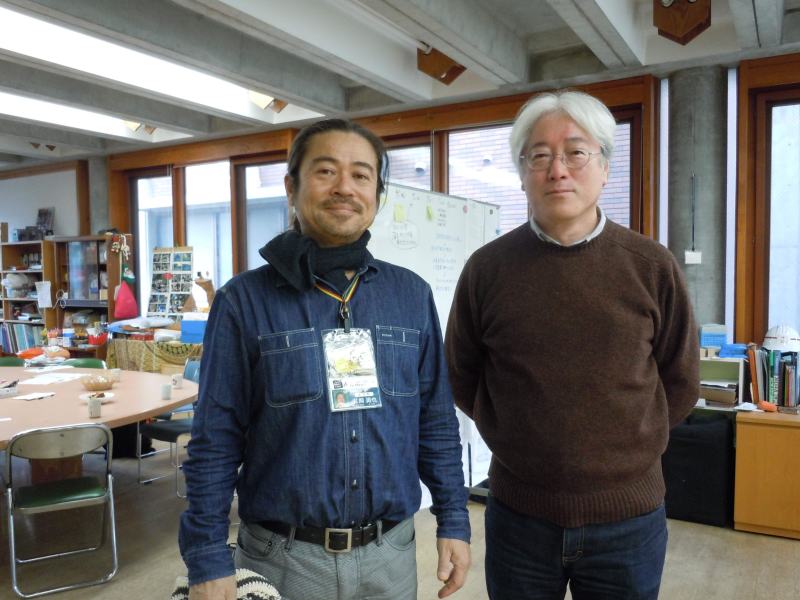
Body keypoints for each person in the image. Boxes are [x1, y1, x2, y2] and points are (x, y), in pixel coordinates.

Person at [179, 118, 471, 600]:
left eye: (361, 175)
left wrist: (454, 519)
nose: (344, 188)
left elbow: (435, 422)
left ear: (377, 194)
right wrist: (207, 556)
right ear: (291, 187)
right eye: (326, 171)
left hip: (392, 556)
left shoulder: (411, 295)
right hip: (282, 559)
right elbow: (215, 438)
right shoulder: (243, 301)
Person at [445, 91, 699, 600]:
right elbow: (462, 375)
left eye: (576, 153)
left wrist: (623, 451)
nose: (557, 170)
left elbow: (681, 381)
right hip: (518, 514)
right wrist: (519, 440)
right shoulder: (487, 269)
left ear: (604, 167)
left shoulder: (652, 266)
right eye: (539, 155)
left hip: (628, 518)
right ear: (523, 173)